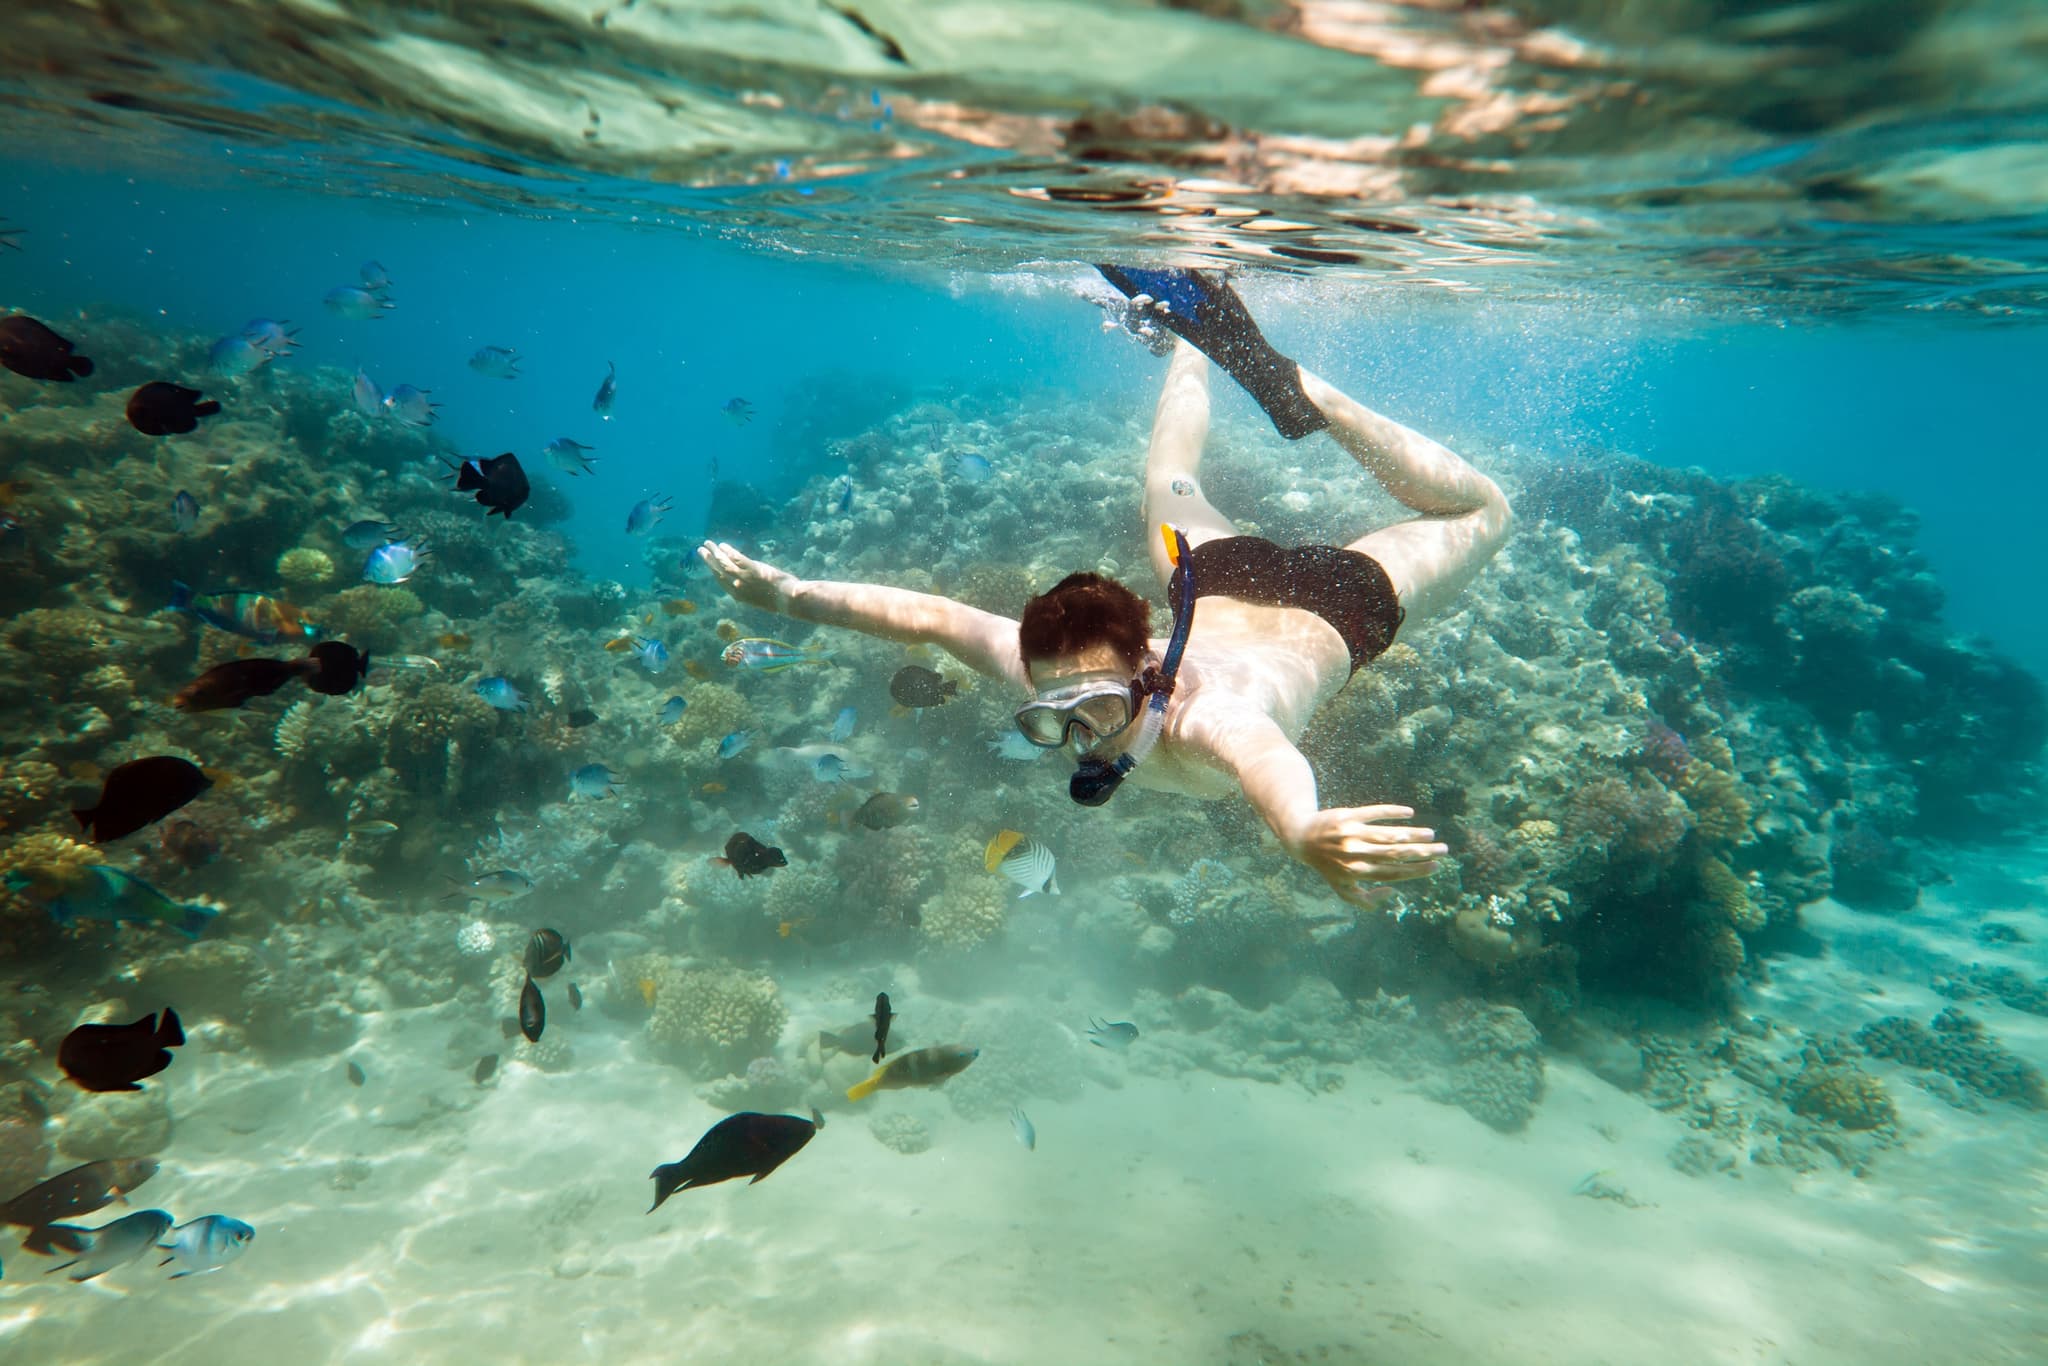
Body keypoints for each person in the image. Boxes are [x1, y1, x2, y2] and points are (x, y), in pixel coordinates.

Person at [698, 269, 1511, 906]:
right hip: (1214, 576)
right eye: (1054, 719)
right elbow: (936, 618)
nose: (1083, 737)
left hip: (1339, 602)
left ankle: (1310, 395)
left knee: (1486, 512)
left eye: (1098, 709)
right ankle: (1193, 334)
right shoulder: (1054, 677)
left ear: (1149, 677)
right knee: (1167, 473)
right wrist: (791, 597)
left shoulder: (1203, 721)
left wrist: (1299, 829)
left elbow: (1266, 759)